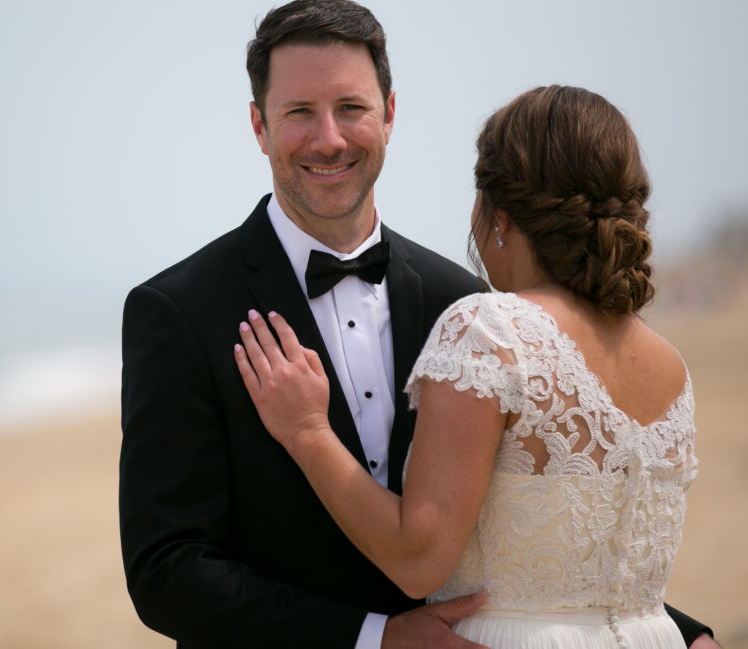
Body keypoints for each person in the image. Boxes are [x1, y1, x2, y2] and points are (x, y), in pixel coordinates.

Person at [119, 0, 713, 649]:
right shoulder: (178, 310)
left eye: (350, 107)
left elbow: (544, 520)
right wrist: (372, 638)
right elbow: (167, 571)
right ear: (259, 126)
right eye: (298, 113)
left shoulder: (469, 306)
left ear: (390, 114)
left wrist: (675, 630)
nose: (329, 138)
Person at [235, 84, 719, 648]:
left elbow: (419, 561)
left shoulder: (488, 329)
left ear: (500, 216)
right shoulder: (670, 366)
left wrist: (308, 431)